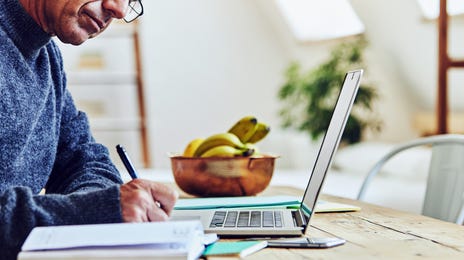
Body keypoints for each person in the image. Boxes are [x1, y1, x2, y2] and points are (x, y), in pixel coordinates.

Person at [0, 0, 178, 259]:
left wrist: (96, 209)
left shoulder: (47, 58)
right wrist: (91, 212)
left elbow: (85, 161)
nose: (118, 9)